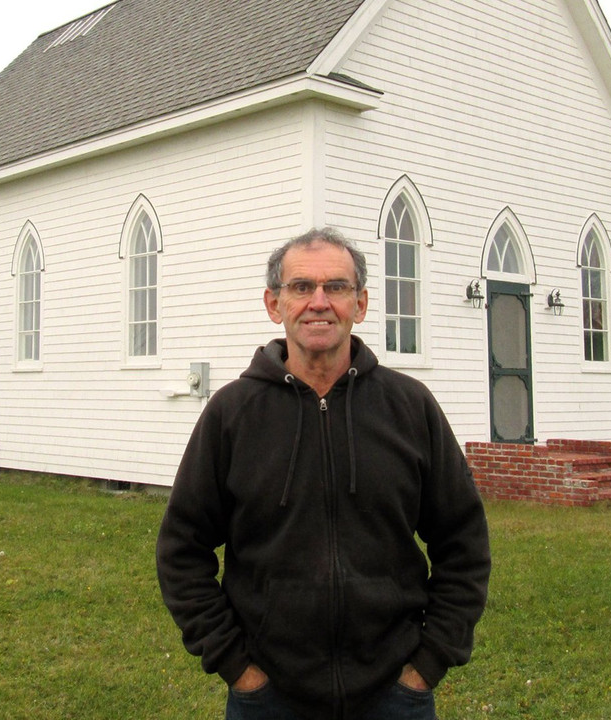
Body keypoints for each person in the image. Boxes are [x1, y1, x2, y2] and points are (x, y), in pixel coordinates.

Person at [156, 228, 491, 720]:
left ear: (361, 303)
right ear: (274, 304)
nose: (319, 302)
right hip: (268, 699)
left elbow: (463, 542)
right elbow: (182, 551)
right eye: (300, 287)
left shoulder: (409, 408)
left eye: (336, 287)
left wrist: (428, 663)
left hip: (395, 696)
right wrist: (238, 668)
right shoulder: (233, 414)